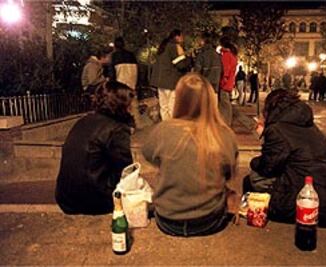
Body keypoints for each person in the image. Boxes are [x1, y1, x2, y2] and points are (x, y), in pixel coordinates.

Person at [243, 89, 326, 228]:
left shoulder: (277, 129)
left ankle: (253, 209)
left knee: (253, 178)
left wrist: (258, 152)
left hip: (315, 201)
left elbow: (268, 168)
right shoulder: (308, 124)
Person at [142, 73, 238, 237]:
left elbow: (149, 156)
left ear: (179, 99)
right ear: (210, 100)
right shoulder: (224, 134)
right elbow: (228, 173)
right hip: (209, 221)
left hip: (167, 221)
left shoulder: (162, 130)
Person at [55, 81, 135, 215]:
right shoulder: (117, 129)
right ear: (121, 105)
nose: (132, 108)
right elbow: (126, 171)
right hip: (95, 200)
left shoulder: (83, 121)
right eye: (130, 104)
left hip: (66, 199)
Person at [150, 29, 191, 121]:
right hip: (171, 81)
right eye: (181, 36)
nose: (183, 39)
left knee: (164, 107)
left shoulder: (162, 47)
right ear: (177, 37)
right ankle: (172, 127)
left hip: (160, 82)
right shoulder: (174, 47)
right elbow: (181, 65)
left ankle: (165, 126)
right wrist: (187, 58)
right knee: (172, 106)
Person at [109, 37, 140, 125]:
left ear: (115, 46)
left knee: (122, 106)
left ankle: (126, 125)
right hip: (132, 83)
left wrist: (112, 85)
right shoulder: (131, 55)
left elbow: (112, 74)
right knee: (133, 105)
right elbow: (138, 70)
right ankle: (136, 122)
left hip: (121, 85)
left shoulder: (114, 56)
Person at [218, 37, 238, 126]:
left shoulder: (226, 55)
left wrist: (224, 79)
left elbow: (226, 68)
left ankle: (226, 123)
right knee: (227, 104)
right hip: (230, 83)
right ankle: (226, 122)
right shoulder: (233, 56)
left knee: (225, 104)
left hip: (225, 83)